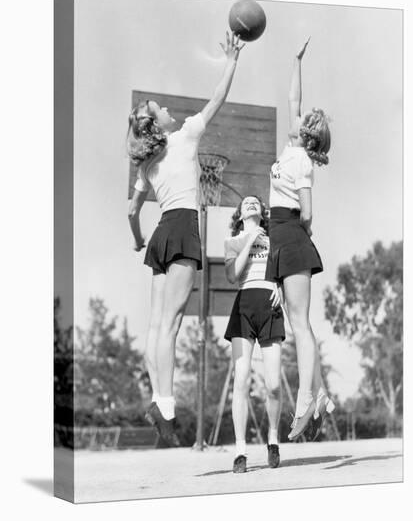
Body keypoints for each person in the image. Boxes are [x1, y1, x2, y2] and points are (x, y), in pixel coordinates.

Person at [127, 32, 245, 446]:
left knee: (156, 325)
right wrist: (232, 60)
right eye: (160, 108)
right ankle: (166, 406)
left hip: (160, 232)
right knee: (172, 325)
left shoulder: (148, 164)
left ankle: (159, 400)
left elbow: (130, 210)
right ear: (156, 123)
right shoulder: (187, 135)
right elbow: (218, 97)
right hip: (181, 229)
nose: (167, 108)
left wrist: (138, 240)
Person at [265, 38, 334, 442]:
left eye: (302, 117)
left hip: (291, 234)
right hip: (282, 238)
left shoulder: (302, 162)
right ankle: (321, 392)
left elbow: (308, 212)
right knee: (296, 323)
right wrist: (296, 60)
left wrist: (300, 237)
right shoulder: (291, 147)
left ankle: (307, 397)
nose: (296, 114)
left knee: (300, 325)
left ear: (305, 134)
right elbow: (294, 96)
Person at [224, 195, 285, 473]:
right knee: (241, 380)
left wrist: (280, 287)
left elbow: (284, 275)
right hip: (244, 308)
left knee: (273, 384)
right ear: (239, 213)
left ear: (262, 212)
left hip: (269, 307)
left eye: (255, 202)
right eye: (245, 203)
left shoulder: (275, 241)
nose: (250, 203)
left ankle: (272, 438)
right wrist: (249, 239)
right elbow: (233, 275)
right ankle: (240, 450)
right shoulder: (232, 241)